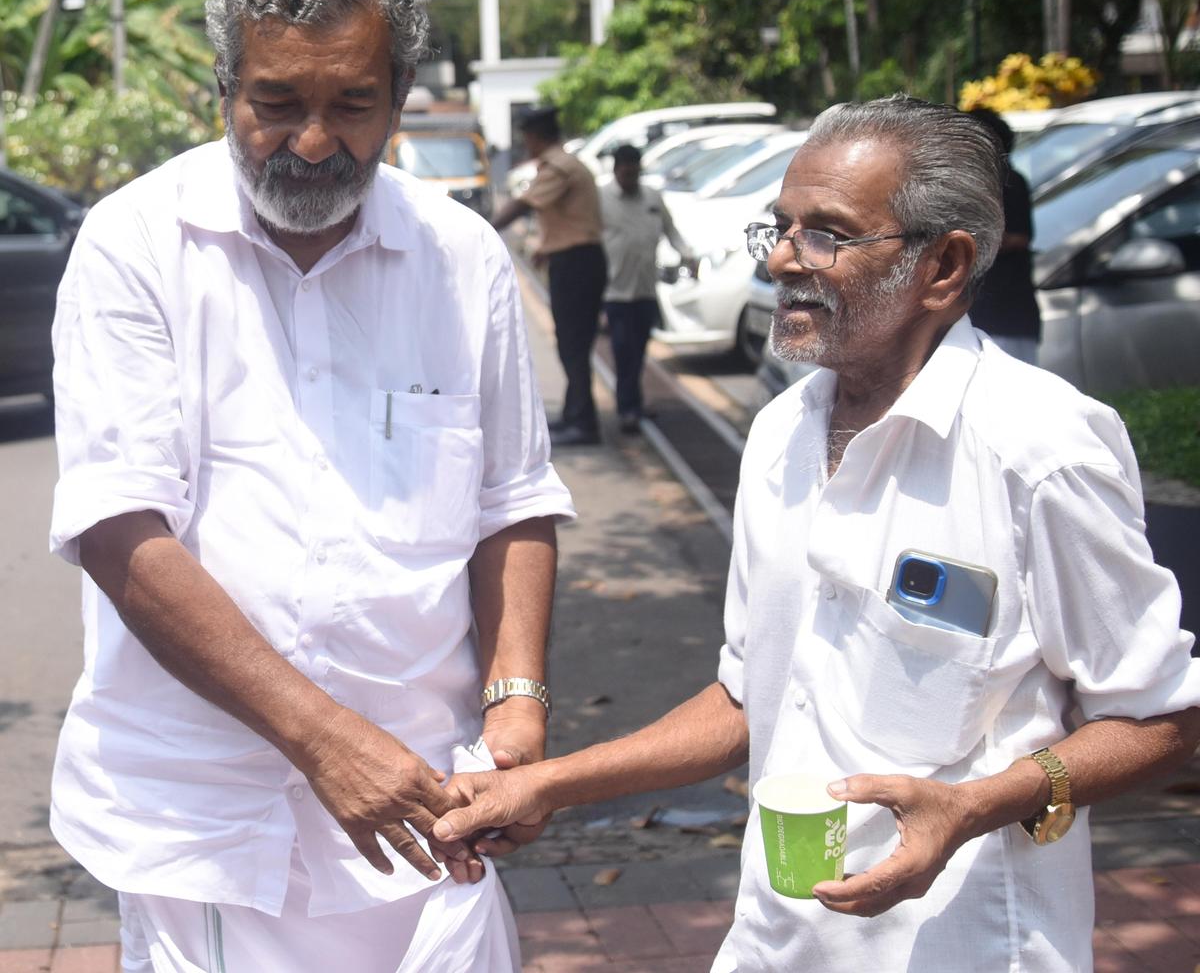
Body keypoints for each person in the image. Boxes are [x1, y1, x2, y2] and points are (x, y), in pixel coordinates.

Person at [434, 96, 1200, 972]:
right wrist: (548, 784)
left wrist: (978, 807)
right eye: (781, 225)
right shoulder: (782, 433)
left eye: (827, 234)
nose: (780, 257)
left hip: (968, 946)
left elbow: (1160, 717)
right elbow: (749, 698)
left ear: (942, 267)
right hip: (775, 939)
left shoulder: (1040, 448)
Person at [48, 0, 574, 973]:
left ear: (401, 93)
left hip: (434, 813)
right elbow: (120, 532)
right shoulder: (135, 244)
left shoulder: (460, 255)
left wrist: (516, 703)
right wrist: (327, 741)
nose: (315, 141)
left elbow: (511, 502)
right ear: (225, 87)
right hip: (207, 827)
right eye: (278, 103)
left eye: (354, 104)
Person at [492, 107, 606, 446]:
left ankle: (584, 422)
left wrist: (482, 227)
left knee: (573, 344)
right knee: (573, 343)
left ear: (537, 136)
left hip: (576, 263)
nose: (525, 144)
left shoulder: (558, 167)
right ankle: (575, 414)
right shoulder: (568, 163)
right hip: (576, 258)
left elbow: (523, 203)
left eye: (527, 137)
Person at [600, 144, 694, 433]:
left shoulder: (651, 197)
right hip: (616, 292)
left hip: (645, 290)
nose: (629, 177)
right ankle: (627, 409)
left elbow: (671, 230)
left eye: (634, 171)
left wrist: (687, 254)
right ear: (616, 170)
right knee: (622, 350)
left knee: (638, 352)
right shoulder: (601, 199)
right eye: (624, 171)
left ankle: (635, 405)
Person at [967, 107, 1041, 364]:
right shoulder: (974, 182)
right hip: (980, 311)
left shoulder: (1009, 182)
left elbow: (1019, 237)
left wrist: (970, 244)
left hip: (1007, 311)